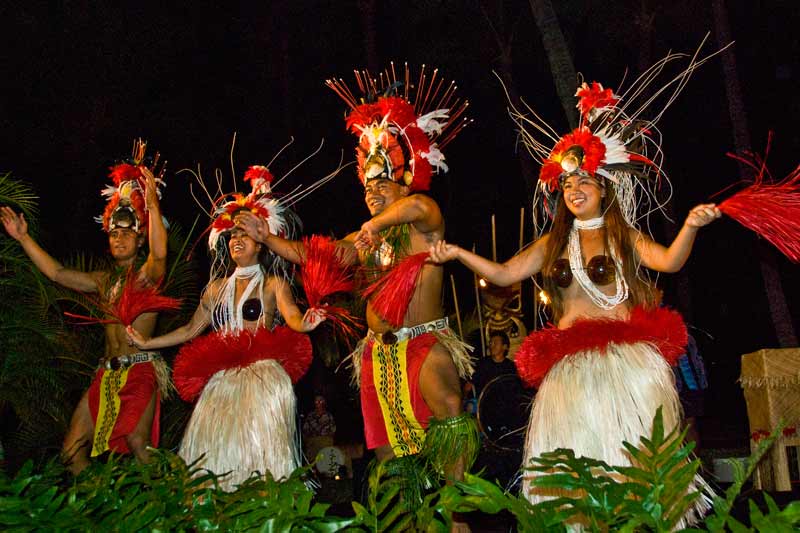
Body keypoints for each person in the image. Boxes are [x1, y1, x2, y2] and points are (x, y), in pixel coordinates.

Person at [430, 66, 722, 525]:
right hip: (570, 369)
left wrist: (690, 226)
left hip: (625, 365)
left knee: (634, 462)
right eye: (567, 184)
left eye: (584, 181)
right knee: (578, 461)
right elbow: (504, 272)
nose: (574, 189)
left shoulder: (620, 235)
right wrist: (459, 253)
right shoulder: (552, 244)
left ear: (603, 187)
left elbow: (669, 262)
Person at [238, 66, 477, 530]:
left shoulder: (422, 218)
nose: (373, 192)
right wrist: (269, 240)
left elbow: (417, 206)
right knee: (389, 454)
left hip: (423, 345)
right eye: (368, 186)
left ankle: (458, 521)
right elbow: (314, 253)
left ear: (406, 178)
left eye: (383, 183)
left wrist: (378, 222)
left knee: (448, 421)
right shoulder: (365, 237)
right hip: (378, 356)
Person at [128, 164, 325, 490]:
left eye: (244, 234)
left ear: (260, 243)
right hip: (222, 383)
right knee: (215, 460)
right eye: (232, 234)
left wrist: (306, 323)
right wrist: (148, 343)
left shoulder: (273, 284)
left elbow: (292, 317)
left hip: (263, 378)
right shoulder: (215, 289)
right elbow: (191, 330)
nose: (236, 240)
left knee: (261, 462)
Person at [0, 140, 169, 475]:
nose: (118, 238)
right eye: (113, 233)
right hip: (105, 373)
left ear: (139, 239)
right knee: (71, 452)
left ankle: (173, 507)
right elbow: (57, 273)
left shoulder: (148, 277)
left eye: (127, 233)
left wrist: (152, 208)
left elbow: (160, 254)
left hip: (139, 370)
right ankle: (101, 515)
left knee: (138, 444)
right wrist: (23, 238)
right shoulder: (102, 282)